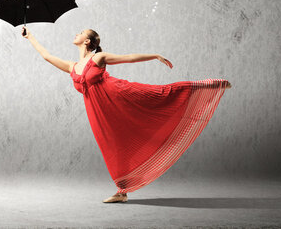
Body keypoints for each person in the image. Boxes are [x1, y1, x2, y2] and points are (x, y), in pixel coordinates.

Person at [22, 27, 232, 203]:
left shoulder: (99, 57)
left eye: (80, 32)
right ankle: (122, 191)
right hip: (100, 113)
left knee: (160, 93)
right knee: (113, 146)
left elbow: (129, 58)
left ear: (87, 41)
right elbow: (47, 56)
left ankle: (205, 86)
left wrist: (155, 55)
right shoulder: (72, 66)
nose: (75, 34)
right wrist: (29, 36)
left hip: (120, 94)